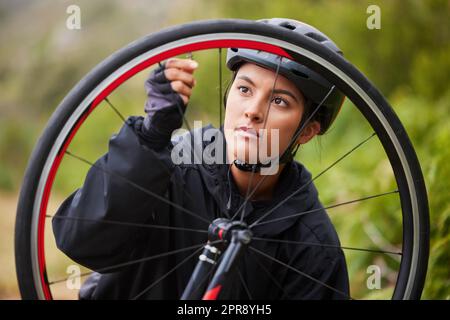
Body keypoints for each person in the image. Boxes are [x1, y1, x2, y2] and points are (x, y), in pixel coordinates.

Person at [53, 18, 350, 300]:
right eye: (245, 89)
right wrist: (150, 136)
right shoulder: (165, 171)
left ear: (307, 132)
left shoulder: (314, 247)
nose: (253, 110)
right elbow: (79, 241)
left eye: (279, 101)